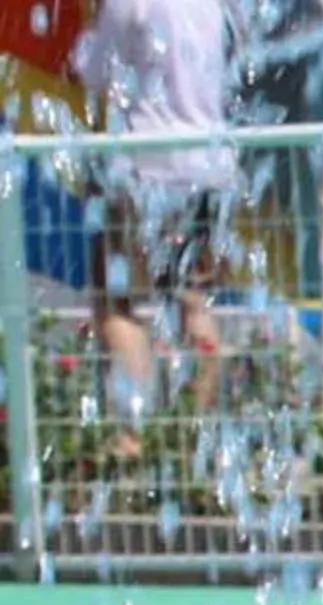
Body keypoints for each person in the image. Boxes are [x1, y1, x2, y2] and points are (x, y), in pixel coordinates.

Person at [72, 0, 238, 461]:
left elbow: (91, 72)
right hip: (209, 169)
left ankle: (134, 439)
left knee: (117, 306)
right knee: (194, 304)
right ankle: (197, 441)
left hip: (143, 169)